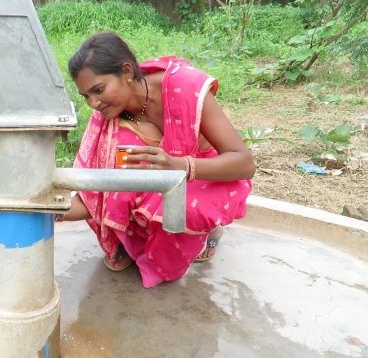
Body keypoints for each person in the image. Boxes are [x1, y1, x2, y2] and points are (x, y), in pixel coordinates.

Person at [59, 32, 255, 288]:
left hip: (206, 173)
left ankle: (210, 227)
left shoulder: (186, 88)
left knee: (181, 215)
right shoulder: (109, 118)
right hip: (160, 176)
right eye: (86, 96)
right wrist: (50, 209)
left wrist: (181, 165)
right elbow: (96, 193)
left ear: (127, 72)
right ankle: (129, 238)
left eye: (98, 90)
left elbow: (244, 163)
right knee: (122, 175)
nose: (93, 104)